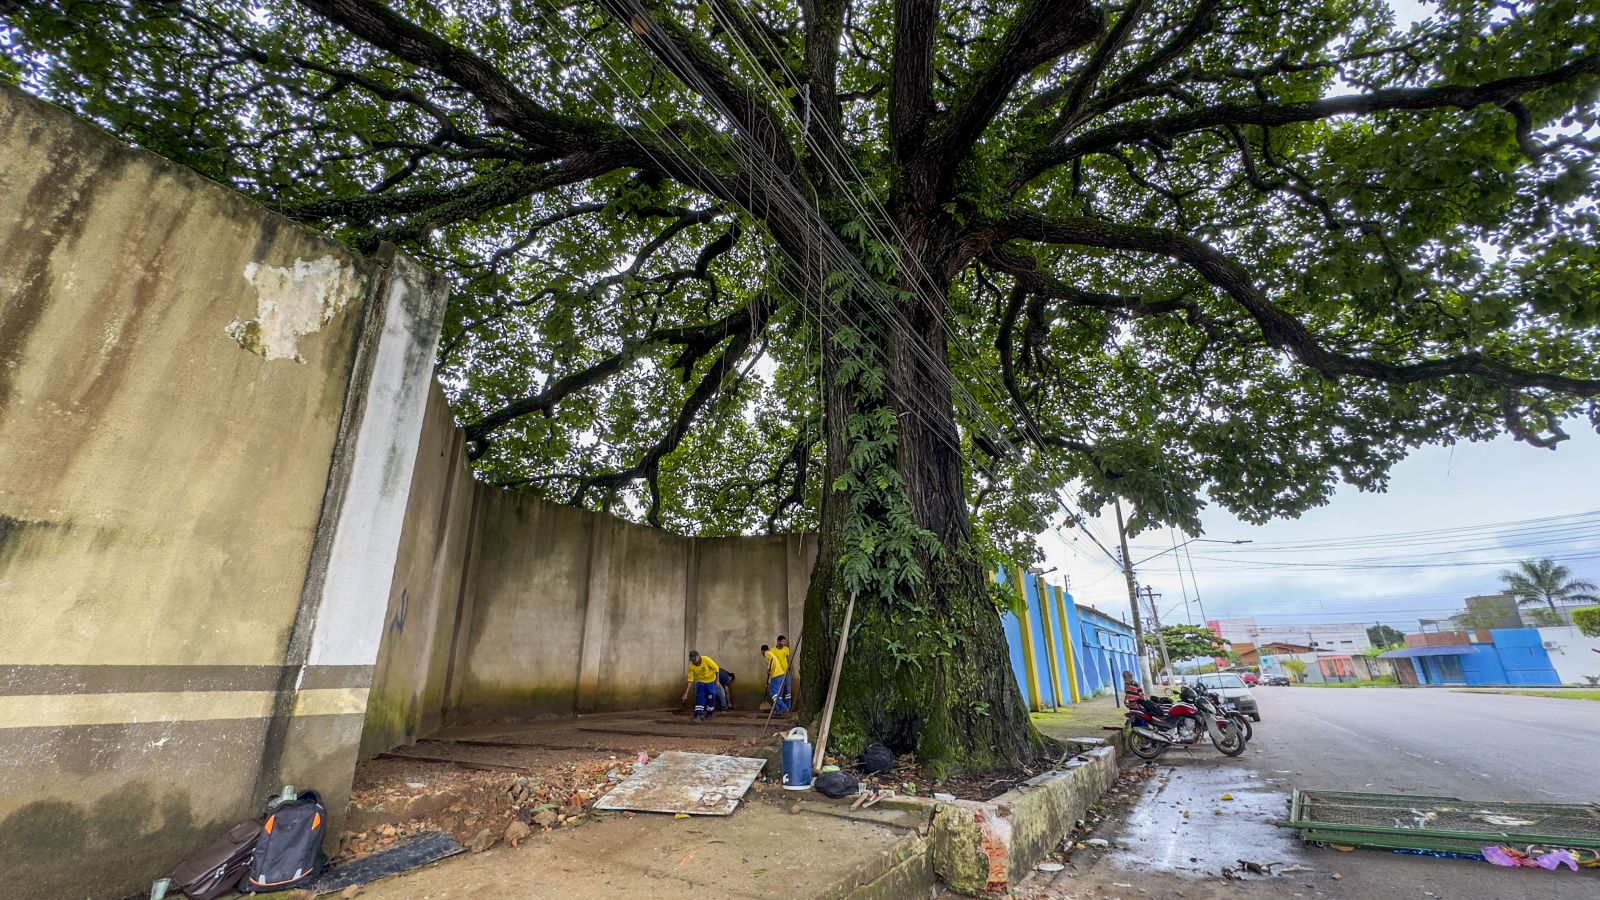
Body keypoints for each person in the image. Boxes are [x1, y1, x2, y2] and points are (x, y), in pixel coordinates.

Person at [682, 651, 721, 720]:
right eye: (692, 660)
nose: (693, 661)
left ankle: (709, 714)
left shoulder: (706, 659)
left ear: (698, 656)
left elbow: (716, 669)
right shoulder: (691, 667)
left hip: (710, 681)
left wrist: (717, 681)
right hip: (701, 682)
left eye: (694, 659)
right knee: (700, 698)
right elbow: (690, 680)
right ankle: (697, 715)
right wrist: (686, 693)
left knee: (711, 697)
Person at [762, 643, 790, 715]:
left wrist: (769, 669)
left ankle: (784, 708)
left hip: (776, 676)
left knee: (773, 693)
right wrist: (768, 682)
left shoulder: (767, 653)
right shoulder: (772, 653)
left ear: (762, 651)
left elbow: (772, 662)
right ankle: (778, 711)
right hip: (781, 675)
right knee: (779, 695)